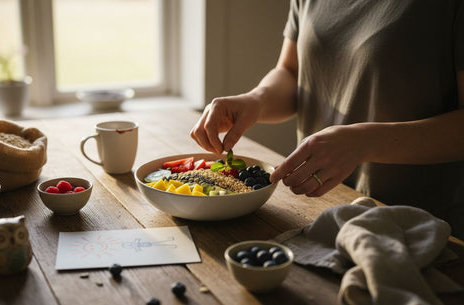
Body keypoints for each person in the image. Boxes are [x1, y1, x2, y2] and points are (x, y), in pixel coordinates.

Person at [190, 0, 464, 239]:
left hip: (419, 227)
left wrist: (365, 142)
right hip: (321, 215)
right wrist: (256, 100)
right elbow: (292, 72)